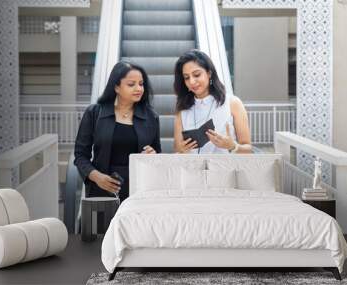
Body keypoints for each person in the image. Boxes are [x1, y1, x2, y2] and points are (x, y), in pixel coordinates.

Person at [74, 61, 161, 203]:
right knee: (103, 225)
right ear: (116, 87)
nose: (139, 88)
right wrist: (97, 177)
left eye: (141, 83)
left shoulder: (151, 117)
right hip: (102, 189)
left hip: (139, 191)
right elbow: (80, 155)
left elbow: (157, 152)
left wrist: (154, 154)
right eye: (131, 84)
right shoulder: (94, 113)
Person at [173, 50, 251, 154]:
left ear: (209, 73)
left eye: (196, 75)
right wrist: (181, 150)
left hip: (225, 168)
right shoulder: (182, 109)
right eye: (186, 77)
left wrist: (233, 146)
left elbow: (248, 149)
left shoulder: (232, 103)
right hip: (192, 169)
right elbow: (177, 149)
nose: (191, 81)